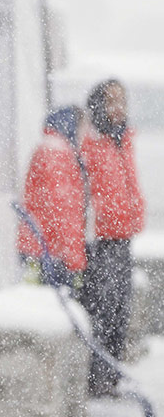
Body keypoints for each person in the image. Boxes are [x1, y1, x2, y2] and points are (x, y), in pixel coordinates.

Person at [80, 79, 146, 397]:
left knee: (121, 309)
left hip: (123, 238)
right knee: (103, 310)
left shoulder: (125, 140)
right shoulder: (91, 144)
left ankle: (113, 376)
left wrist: (136, 213)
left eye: (123, 100)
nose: (118, 107)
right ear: (98, 106)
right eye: (111, 101)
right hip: (101, 241)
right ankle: (98, 378)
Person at [17, 106, 88, 288]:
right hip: (50, 251)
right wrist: (73, 258)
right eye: (82, 127)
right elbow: (63, 209)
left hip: (39, 247)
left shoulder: (50, 148)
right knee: (50, 310)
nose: (84, 135)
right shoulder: (58, 153)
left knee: (37, 305)